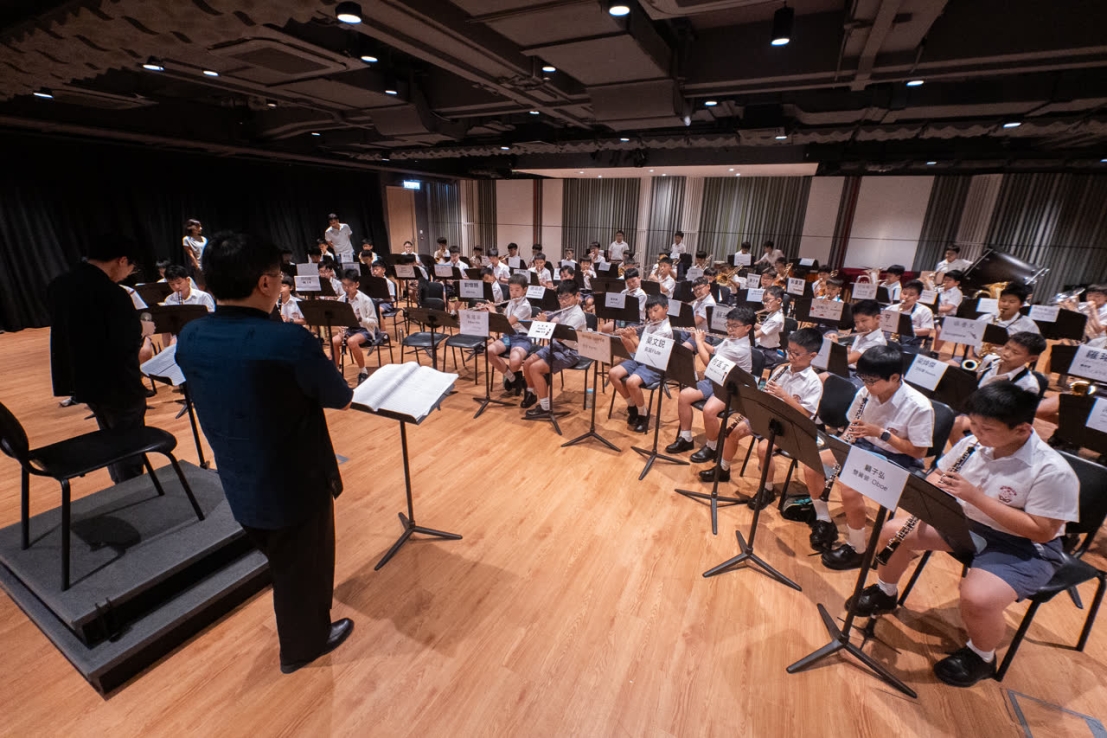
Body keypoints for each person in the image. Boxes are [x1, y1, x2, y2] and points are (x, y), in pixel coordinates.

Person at [176, 231, 354, 675]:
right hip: (294, 483)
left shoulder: (191, 334)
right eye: (278, 275)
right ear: (265, 283)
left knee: (284, 562)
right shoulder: (286, 341)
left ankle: (303, 631)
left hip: (237, 475)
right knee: (303, 570)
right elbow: (339, 396)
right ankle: (304, 647)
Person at [848, 382, 1077, 687]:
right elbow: (938, 472)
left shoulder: (1052, 471)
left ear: (1022, 430)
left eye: (987, 429)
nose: (977, 434)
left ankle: (982, 656)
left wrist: (975, 497)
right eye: (974, 424)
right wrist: (932, 491)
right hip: (968, 523)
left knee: (977, 598)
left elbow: (1042, 531)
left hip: (1023, 545)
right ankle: (885, 593)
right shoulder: (973, 444)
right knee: (893, 532)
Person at [815, 344, 935, 569]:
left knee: (849, 487)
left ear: (894, 377)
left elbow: (919, 452)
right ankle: (823, 520)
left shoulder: (918, 406)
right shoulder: (865, 392)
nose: (866, 385)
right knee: (814, 463)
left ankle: (857, 549)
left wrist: (881, 433)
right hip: (863, 447)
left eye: (871, 381)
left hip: (897, 459)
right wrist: (843, 443)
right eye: (863, 379)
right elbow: (852, 425)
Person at [48, 235, 148, 482]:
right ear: (121, 260)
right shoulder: (112, 293)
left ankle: (121, 483)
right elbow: (124, 342)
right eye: (131, 267)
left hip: (82, 380)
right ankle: (132, 489)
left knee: (109, 436)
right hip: (118, 383)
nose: (128, 274)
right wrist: (143, 331)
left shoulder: (59, 285)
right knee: (129, 444)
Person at [699, 329, 824, 505]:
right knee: (733, 432)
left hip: (791, 426)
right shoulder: (782, 370)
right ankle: (723, 469)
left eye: (796, 353)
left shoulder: (813, 382)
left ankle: (767, 489)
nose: (790, 356)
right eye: (789, 351)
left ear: (812, 356)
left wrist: (784, 396)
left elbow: (806, 415)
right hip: (769, 416)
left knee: (764, 449)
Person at [667, 307, 755, 458]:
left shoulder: (740, 349)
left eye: (734, 326)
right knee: (684, 395)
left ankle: (712, 447)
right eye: (728, 325)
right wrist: (697, 340)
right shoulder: (732, 339)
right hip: (716, 379)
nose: (730, 329)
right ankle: (686, 438)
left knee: (709, 410)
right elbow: (714, 350)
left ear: (747, 328)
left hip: (732, 388)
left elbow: (709, 363)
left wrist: (699, 342)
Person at [952, 332, 1046, 439]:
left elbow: (1014, 416)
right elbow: (978, 381)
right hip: (973, 407)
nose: (1007, 353)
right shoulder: (989, 360)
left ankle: (967, 449)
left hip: (995, 419)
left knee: (955, 425)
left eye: (1015, 352)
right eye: (1007, 347)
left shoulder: (1028, 384)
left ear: (1032, 359)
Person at [520, 281, 588, 417]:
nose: (563, 302)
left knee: (535, 368)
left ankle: (545, 407)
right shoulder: (566, 309)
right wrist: (547, 319)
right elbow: (557, 324)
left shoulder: (577, 315)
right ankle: (532, 393)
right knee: (527, 363)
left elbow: (561, 337)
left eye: (567, 297)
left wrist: (544, 324)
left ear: (577, 296)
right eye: (560, 298)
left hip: (571, 352)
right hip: (557, 346)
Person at [608, 294, 674, 432]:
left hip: (655, 364)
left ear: (666, 308)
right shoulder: (650, 324)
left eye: (656, 310)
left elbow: (647, 350)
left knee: (632, 382)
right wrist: (627, 336)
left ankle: (643, 414)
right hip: (641, 358)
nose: (652, 315)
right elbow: (638, 348)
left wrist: (633, 337)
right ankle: (632, 407)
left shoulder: (666, 330)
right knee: (613, 373)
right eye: (649, 312)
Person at [484, 274, 532, 395]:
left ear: (525, 290)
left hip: (522, 338)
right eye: (511, 290)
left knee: (515, 361)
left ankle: (513, 377)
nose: (513, 293)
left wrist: (493, 311)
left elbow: (507, 323)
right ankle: (513, 378)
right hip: (508, 336)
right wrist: (488, 310)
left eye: (517, 290)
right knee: (488, 351)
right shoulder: (511, 302)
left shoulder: (525, 306)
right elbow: (504, 318)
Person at [332, 269, 382, 385]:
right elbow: (339, 318)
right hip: (350, 329)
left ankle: (363, 371)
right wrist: (340, 327)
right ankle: (336, 372)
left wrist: (359, 319)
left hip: (365, 329)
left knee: (352, 341)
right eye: (344, 285)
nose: (347, 288)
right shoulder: (341, 299)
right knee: (334, 341)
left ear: (357, 284)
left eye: (350, 285)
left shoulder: (365, 300)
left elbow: (374, 322)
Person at [883, 279, 934, 348]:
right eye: (904, 293)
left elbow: (926, 331)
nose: (906, 297)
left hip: (910, 344)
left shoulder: (925, 311)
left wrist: (906, 330)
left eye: (911, 295)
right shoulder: (890, 308)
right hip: (887, 341)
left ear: (918, 297)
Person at [753, 286, 785, 368]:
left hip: (766, 354)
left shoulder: (776, 319)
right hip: (762, 349)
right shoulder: (774, 313)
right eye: (764, 301)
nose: (765, 304)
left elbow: (755, 335)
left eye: (767, 300)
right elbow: (764, 327)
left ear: (778, 300)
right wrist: (751, 322)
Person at [183, 219, 207, 283]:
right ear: (191, 228)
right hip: (199, 265)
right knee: (201, 284)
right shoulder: (187, 239)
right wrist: (197, 267)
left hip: (207, 264)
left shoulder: (204, 239)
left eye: (200, 226)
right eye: (198, 227)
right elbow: (191, 254)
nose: (200, 228)